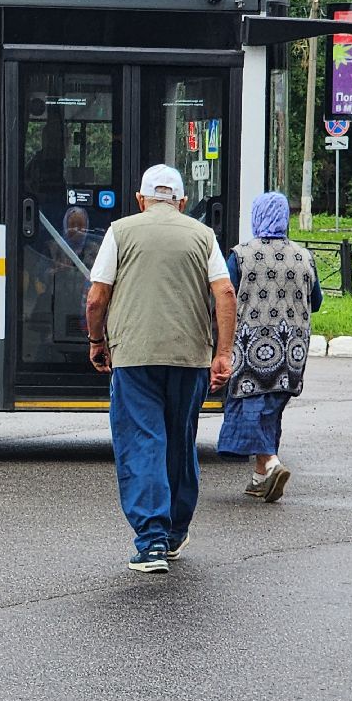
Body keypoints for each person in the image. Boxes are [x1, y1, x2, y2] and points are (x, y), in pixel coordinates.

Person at [85, 163, 237, 574]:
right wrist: (222, 353)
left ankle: (151, 542)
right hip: (190, 358)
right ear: (183, 202)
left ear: (140, 199)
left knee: (142, 440)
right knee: (179, 439)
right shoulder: (203, 235)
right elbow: (224, 291)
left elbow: (97, 297)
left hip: (134, 355)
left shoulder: (120, 231)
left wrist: (97, 341)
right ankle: (174, 534)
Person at [217, 191, 322, 502]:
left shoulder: (241, 255)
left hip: (252, 345)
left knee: (251, 404)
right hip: (293, 346)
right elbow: (315, 301)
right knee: (272, 406)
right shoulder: (304, 256)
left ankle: (271, 462)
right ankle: (260, 476)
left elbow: (225, 295)